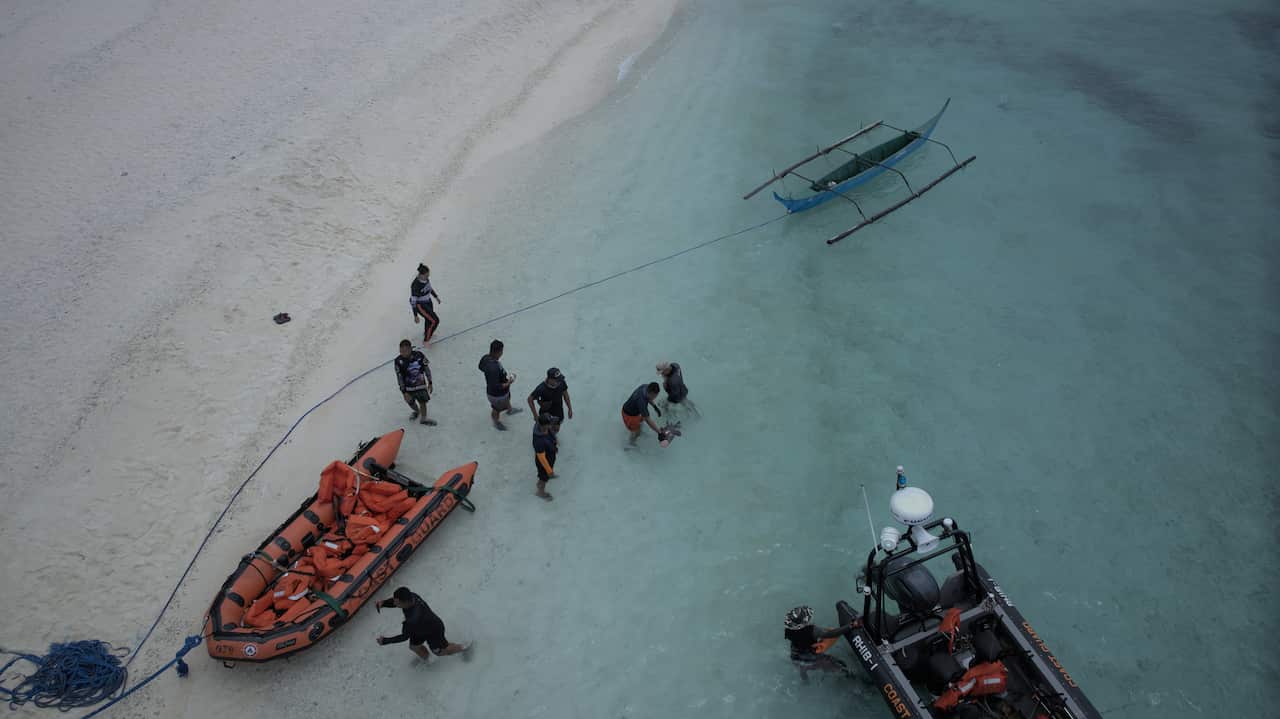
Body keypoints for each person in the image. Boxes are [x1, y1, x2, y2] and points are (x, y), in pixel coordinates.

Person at [375, 587, 469, 660]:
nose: (395, 603)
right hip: (419, 629)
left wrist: (385, 641)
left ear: (405, 602)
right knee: (414, 647)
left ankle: (464, 647)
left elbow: (404, 637)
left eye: (397, 602)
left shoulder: (413, 619)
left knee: (440, 652)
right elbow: (395, 601)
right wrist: (383, 603)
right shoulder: (412, 596)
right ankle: (429, 660)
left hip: (434, 630)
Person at [784, 606, 859, 679]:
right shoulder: (812, 630)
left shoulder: (789, 630)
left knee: (804, 667)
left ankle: (805, 681)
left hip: (796, 657)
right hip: (810, 658)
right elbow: (831, 634)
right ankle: (852, 677)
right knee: (838, 665)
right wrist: (851, 625)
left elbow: (801, 640)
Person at [478, 339, 521, 430]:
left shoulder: (486, 357)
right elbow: (496, 387)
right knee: (496, 409)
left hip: (503, 393)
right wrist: (509, 382)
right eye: (502, 351)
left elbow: (480, 367)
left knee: (506, 400)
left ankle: (510, 410)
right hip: (497, 395)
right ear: (499, 352)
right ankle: (496, 422)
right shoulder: (493, 368)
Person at [394, 339, 435, 426]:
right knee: (410, 402)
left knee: (423, 402)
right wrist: (404, 391)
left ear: (410, 349)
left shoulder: (419, 355)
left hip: (420, 385)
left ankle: (423, 418)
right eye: (401, 351)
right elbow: (399, 377)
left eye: (405, 351)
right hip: (408, 388)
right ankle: (417, 411)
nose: (402, 353)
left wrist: (430, 382)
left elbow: (427, 369)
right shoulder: (398, 361)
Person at [527, 367, 573, 434]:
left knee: (556, 429)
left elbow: (566, 395)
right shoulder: (541, 388)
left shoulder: (562, 382)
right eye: (556, 380)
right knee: (544, 431)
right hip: (545, 413)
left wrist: (570, 408)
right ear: (550, 379)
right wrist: (535, 416)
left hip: (558, 412)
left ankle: (553, 437)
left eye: (559, 379)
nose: (559, 382)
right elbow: (530, 399)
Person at [410, 263, 442, 344]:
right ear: (421, 275)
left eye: (428, 275)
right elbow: (413, 301)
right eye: (427, 275)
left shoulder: (426, 279)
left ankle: (427, 333)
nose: (428, 277)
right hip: (420, 305)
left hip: (428, 302)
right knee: (435, 320)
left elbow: (429, 288)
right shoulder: (415, 285)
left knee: (429, 319)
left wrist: (436, 297)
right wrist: (415, 315)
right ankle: (426, 340)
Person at [532, 412, 558, 501]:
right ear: (544, 425)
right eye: (550, 423)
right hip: (544, 462)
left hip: (550, 455)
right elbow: (542, 459)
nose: (552, 425)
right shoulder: (539, 441)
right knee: (544, 477)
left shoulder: (543, 426)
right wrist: (549, 471)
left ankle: (540, 482)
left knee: (544, 476)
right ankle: (540, 491)